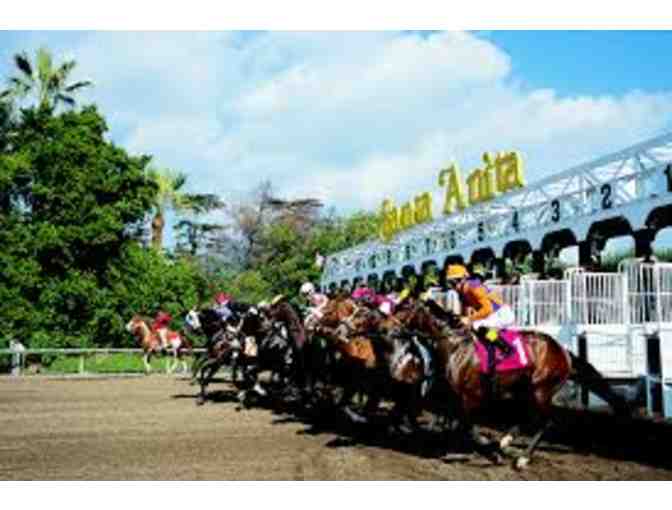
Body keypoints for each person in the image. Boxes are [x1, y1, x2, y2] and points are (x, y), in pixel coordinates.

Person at [445, 264, 514, 374]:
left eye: (453, 283)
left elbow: (488, 309)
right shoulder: (461, 292)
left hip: (502, 313)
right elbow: (465, 313)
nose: (452, 287)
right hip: (491, 315)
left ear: (462, 279)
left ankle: (506, 348)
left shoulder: (473, 286)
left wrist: (469, 319)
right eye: (450, 284)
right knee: (471, 326)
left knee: (479, 326)